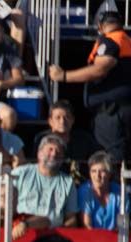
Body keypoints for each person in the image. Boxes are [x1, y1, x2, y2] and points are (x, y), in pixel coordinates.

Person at [48, 11, 131, 166]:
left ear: (100, 26)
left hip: (112, 113)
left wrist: (64, 76)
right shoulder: (127, 40)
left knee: (111, 160)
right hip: (123, 109)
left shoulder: (109, 41)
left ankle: (115, 188)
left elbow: (100, 68)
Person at [7, 134, 80, 239]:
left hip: (52, 235)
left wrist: (62, 235)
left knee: (46, 221)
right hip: (19, 230)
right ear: (39, 153)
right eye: (50, 149)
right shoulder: (20, 173)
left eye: (58, 152)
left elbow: (71, 217)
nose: (54, 154)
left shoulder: (68, 182)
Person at [33, 100, 99, 180]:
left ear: (73, 120)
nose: (62, 121)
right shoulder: (41, 139)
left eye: (67, 117)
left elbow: (97, 161)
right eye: (58, 118)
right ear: (50, 121)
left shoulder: (84, 139)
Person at [78, 151, 120, 231]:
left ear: (109, 173)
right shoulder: (84, 191)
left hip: (115, 239)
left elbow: (122, 225)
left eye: (102, 171)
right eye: (93, 171)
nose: (97, 176)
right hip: (91, 239)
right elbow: (87, 226)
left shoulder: (120, 192)